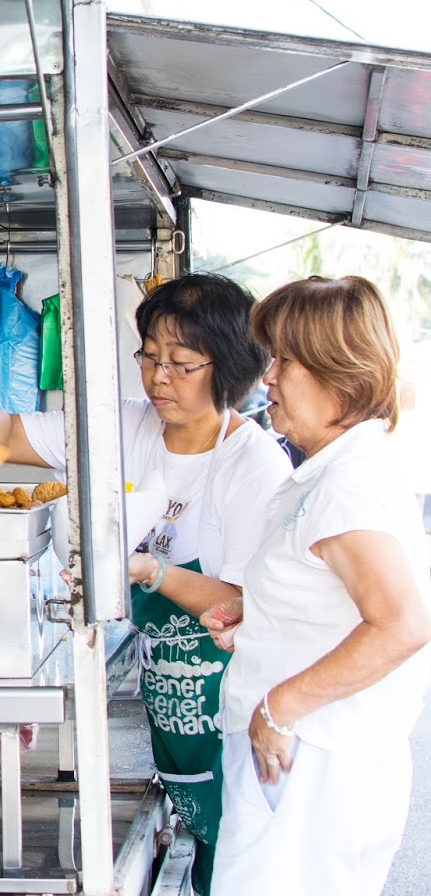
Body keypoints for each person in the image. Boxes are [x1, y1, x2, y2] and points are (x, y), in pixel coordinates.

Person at [0, 273, 290, 895]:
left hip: (232, 703)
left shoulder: (253, 464)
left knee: (245, 858)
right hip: (171, 696)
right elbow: (8, 436)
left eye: (181, 364)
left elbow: (245, 605)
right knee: (206, 841)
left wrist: (152, 572)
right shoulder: (124, 426)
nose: (158, 378)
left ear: (227, 367)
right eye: (149, 356)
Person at [205, 276, 430, 896]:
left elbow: (402, 625)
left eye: (285, 360)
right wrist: (261, 616)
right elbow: (329, 600)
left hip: (316, 760)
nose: (269, 377)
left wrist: (280, 707)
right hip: (305, 757)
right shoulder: (331, 470)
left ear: (340, 372)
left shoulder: (348, 483)